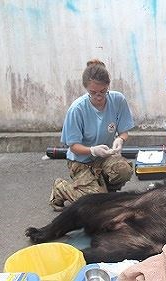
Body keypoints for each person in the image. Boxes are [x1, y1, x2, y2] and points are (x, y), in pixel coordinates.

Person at [49, 59, 135, 211]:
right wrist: (92, 150)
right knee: (95, 205)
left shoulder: (118, 100)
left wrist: (120, 140)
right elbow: (73, 146)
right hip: (81, 162)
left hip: (104, 157)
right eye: (93, 93)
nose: (99, 96)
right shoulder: (77, 109)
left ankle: (105, 188)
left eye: (103, 91)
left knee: (124, 170)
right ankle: (61, 189)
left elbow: (123, 131)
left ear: (108, 85)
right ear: (86, 89)